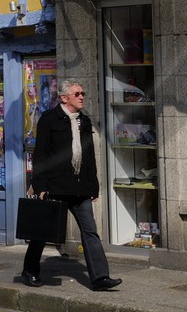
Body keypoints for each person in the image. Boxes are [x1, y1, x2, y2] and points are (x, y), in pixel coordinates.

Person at [20, 79, 120, 292]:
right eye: (77, 94)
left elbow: (89, 156)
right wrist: (40, 186)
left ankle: (100, 278)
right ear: (64, 98)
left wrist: (93, 187)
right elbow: (41, 156)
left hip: (79, 188)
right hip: (55, 186)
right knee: (43, 232)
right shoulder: (49, 119)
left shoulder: (84, 121)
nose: (82, 96)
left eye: (83, 93)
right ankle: (30, 271)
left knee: (90, 232)